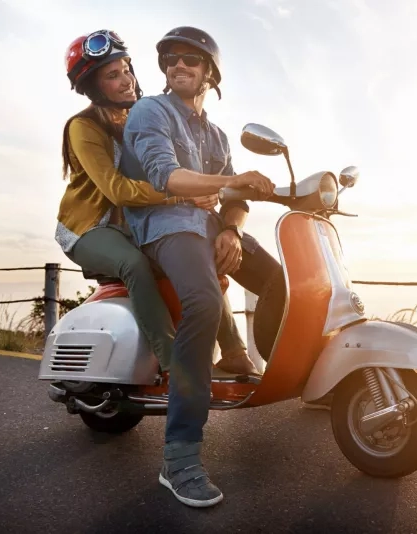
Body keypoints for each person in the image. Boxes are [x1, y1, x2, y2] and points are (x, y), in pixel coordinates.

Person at [119, 26, 286, 508]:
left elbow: (234, 201)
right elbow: (167, 176)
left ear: (210, 72)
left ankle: (287, 372)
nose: (178, 66)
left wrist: (231, 228)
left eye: (191, 59)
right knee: (204, 301)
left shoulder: (214, 133)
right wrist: (232, 181)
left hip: (208, 226)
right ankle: (180, 455)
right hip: (164, 227)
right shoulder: (152, 111)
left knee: (278, 282)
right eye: (171, 59)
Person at [58, 30, 260, 376]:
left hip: (136, 222)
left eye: (126, 69)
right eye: (112, 76)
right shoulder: (83, 127)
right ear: (93, 87)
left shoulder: (146, 112)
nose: (126, 81)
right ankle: (173, 362)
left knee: (200, 250)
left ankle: (235, 353)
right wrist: (182, 193)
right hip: (92, 228)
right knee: (134, 264)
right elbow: (117, 190)